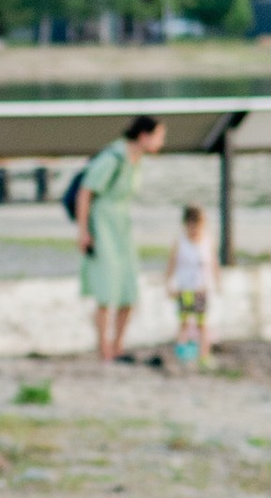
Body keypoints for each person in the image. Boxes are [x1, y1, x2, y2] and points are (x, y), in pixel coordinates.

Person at [75, 114, 166, 362]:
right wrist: (84, 231)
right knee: (106, 289)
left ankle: (117, 346)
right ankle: (104, 349)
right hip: (103, 226)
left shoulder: (134, 160)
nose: (161, 142)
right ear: (144, 136)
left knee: (128, 289)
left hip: (122, 229)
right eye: (159, 136)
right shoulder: (112, 157)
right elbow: (85, 193)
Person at [167, 203, 216, 364]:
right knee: (184, 322)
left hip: (201, 289)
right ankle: (181, 354)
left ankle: (204, 355)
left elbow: (213, 264)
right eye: (191, 225)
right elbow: (172, 264)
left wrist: (217, 282)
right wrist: (169, 283)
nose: (194, 229)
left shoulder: (207, 241)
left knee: (202, 324)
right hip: (185, 290)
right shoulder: (180, 242)